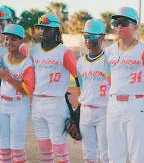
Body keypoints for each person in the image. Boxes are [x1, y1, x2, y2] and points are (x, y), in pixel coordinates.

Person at [105, 6, 144, 163]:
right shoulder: (108, 51)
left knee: (138, 153)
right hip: (114, 103)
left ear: (135, 26)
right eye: (116, 23)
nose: (119, 26)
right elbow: (109, 79)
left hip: (136, 103)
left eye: (123, 23)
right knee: (114, 152)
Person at [30, 14, 80, 163]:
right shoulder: (34, 50)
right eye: (40, 27)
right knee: (44, 146)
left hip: (56, 103)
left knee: (59, 146)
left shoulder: (64, 51)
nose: (42, 30)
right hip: (37, 102)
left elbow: (78, 77)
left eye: (46, 28)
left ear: (56, 30)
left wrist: (80, 103)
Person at [0, 24, 34, 163]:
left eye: (14, 39)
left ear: (21, 41)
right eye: (7, 38)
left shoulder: (27, 63)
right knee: (3, 146)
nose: (9, 42)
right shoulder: (3, 59)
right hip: (3, 105)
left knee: (16, 147)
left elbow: (28, 89)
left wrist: (7, 77)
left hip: (19, 106)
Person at [77, 19, 110, 163]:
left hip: (104, 110)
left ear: (102, 37)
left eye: (92, 36)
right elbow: (82, 86)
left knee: (106, 154)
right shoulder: (80, 62)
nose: (88, 39)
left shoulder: (108, 59)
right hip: (85, 111)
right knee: (88, 154)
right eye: (85, 35)